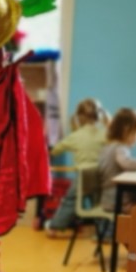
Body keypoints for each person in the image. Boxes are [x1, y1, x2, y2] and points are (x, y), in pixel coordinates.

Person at [46, 98, 109, 233]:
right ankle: (104, 233)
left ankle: (54, 227)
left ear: (79, 117)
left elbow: (55, 150)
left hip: (84, 176)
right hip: (101, 175)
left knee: (70, 201)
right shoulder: (105, 134)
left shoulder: (75, 136)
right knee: (100, 204)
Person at [97, 107, 136, 213]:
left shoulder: (109, 146)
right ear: (127, 130)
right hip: (117, 201)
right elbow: (126, 163)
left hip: (109, 198)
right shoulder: (120, 147)